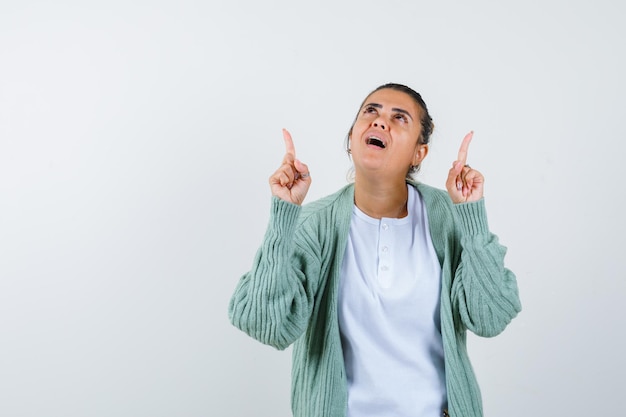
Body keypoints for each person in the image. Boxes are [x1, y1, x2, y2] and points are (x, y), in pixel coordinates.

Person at [228, 83, 521, 417]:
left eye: (399, 118)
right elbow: (266, 323)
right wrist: (284, 215)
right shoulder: (314, 225)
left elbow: (491, 318)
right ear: (353, 135)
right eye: (371, 111)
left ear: (418, 153)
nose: (380, 122)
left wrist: (471, 217)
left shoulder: (448, 218)